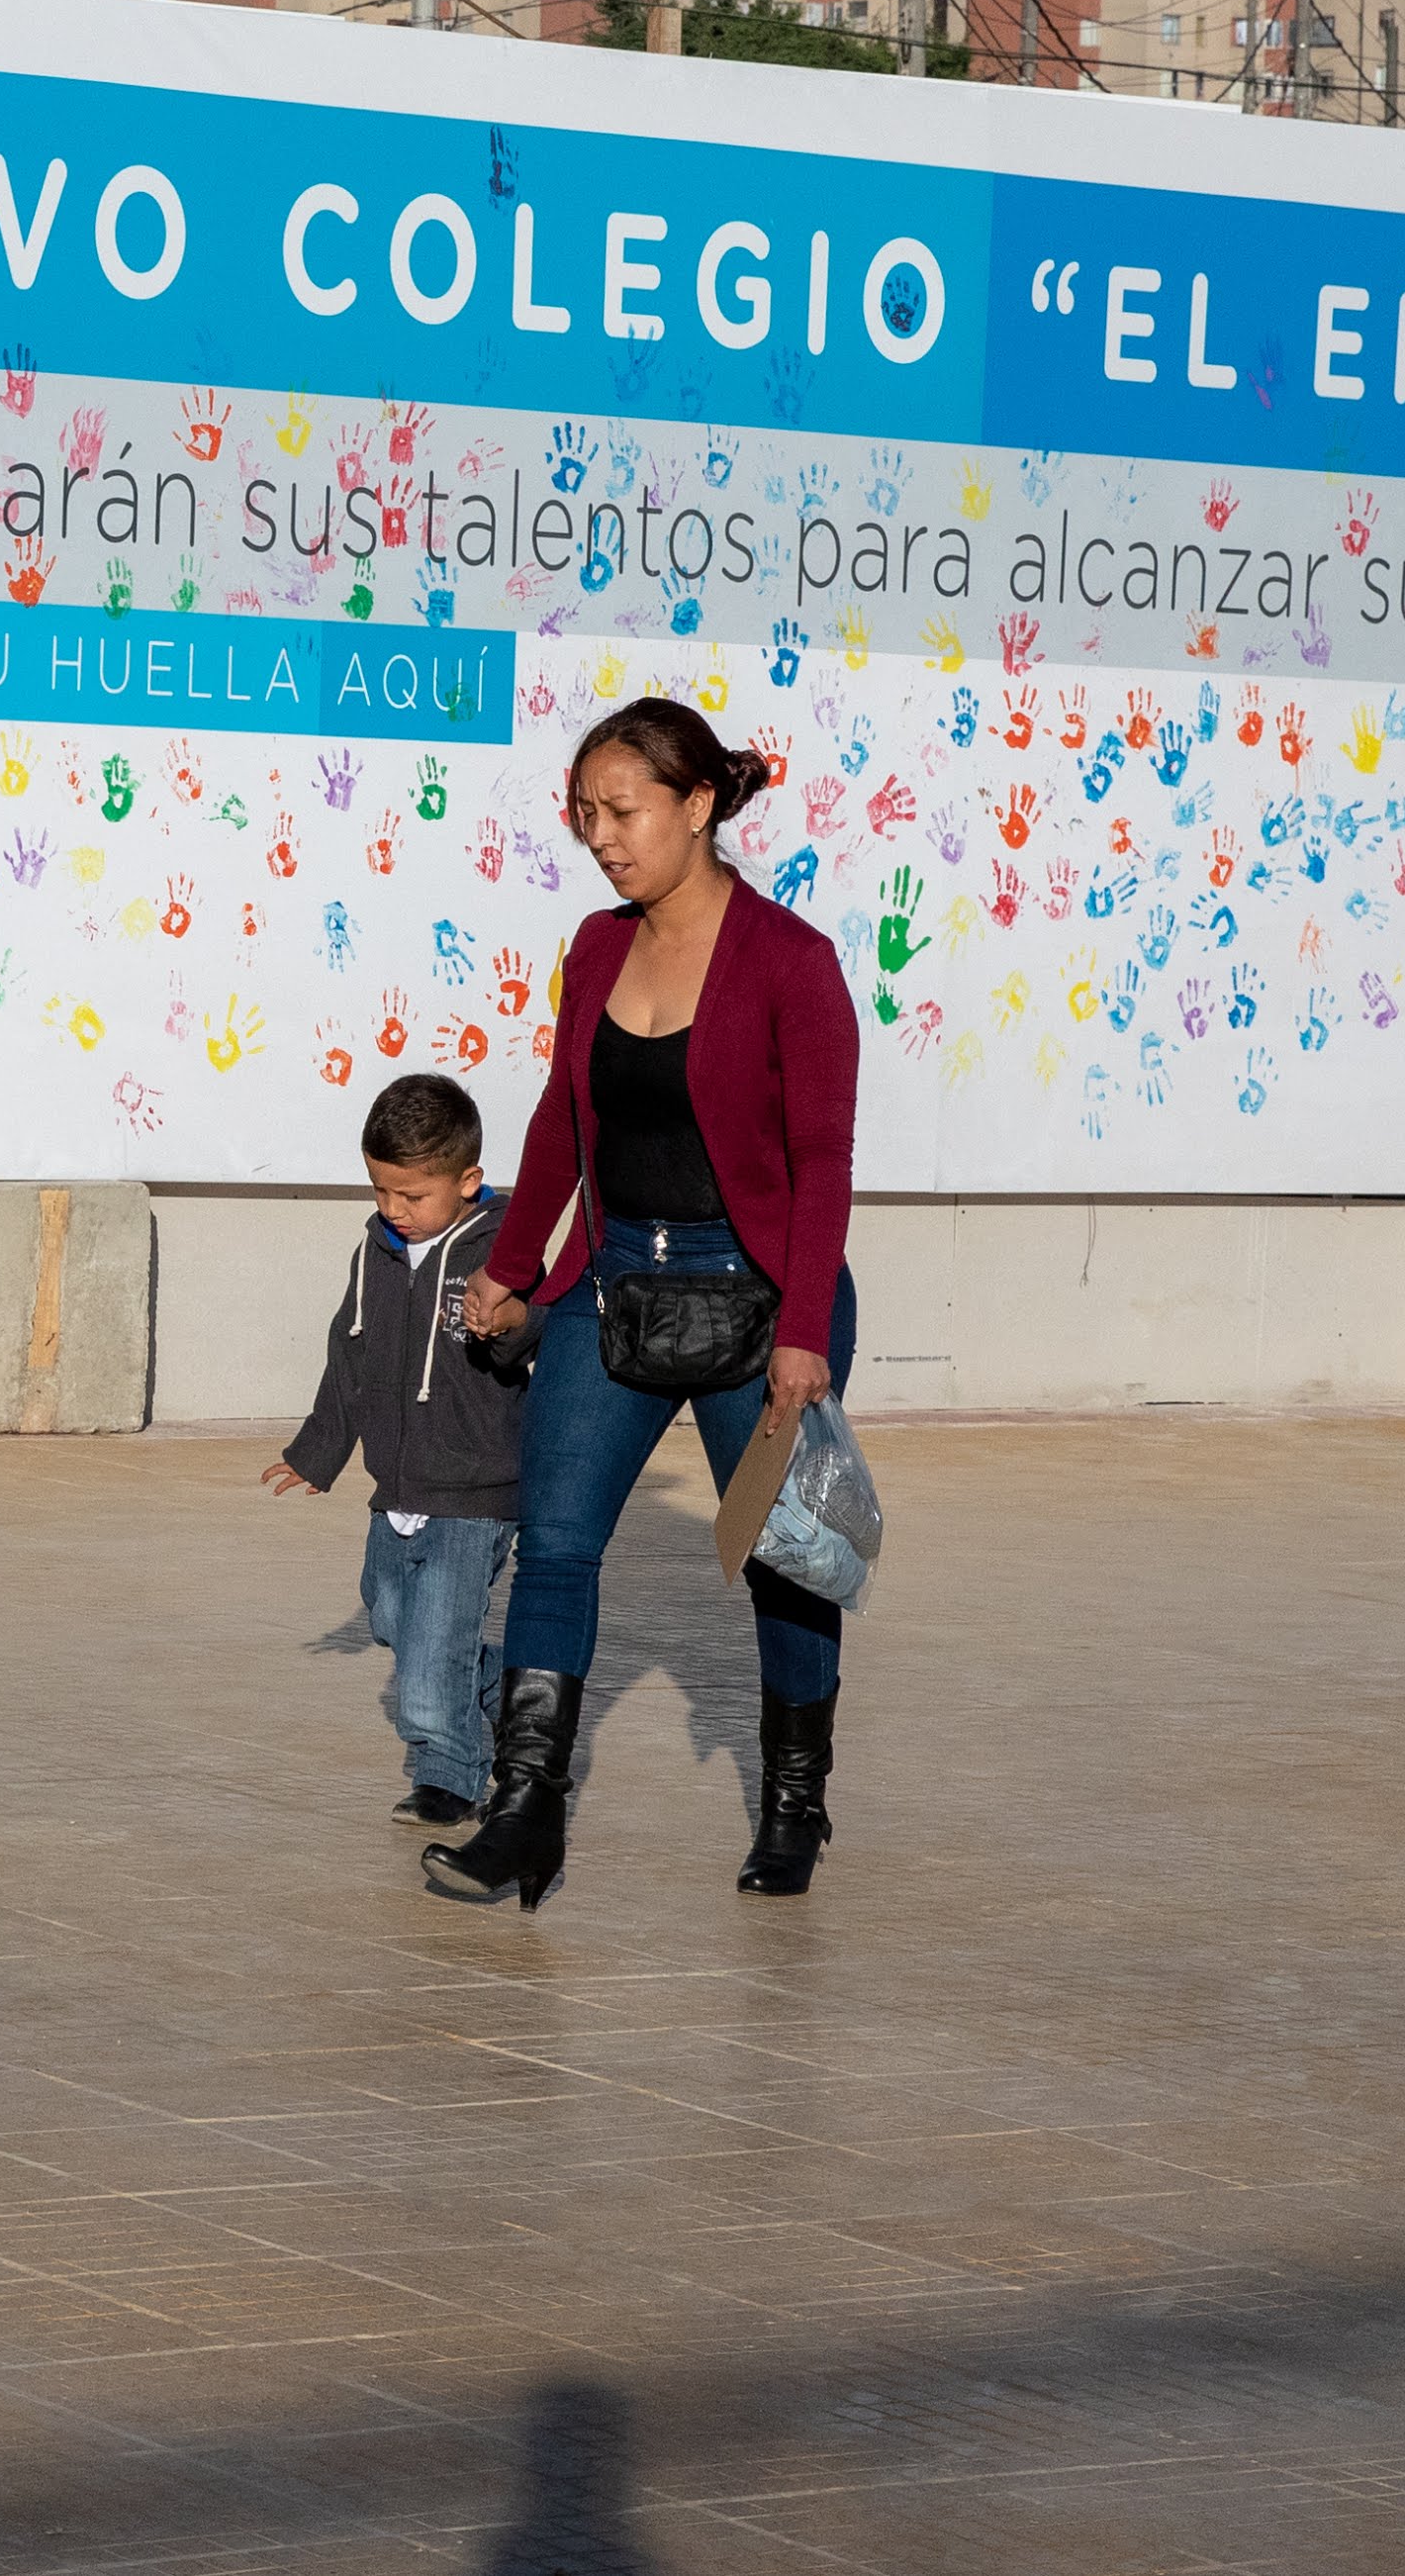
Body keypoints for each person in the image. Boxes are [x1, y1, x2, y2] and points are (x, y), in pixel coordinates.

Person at [432, 697, 862, 1912]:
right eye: (585, 816)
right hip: (610, 1278)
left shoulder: (791, 961)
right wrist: (515, 1265)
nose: (602, 837)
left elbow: (821, 1158)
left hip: (756, 1292)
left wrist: (800, 1335)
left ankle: (792, 1801)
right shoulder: (593, 943)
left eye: (621, 812)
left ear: (697, 804)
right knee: (555, 1548)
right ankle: (524, 1814)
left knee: (786, 1562)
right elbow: (559, 1122)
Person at [263, 1073, 539, 1831]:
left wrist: (512, 1320)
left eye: (412, 1196)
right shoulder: (377, 1253)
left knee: (427, 1660)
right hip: (399, 1488)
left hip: (476, 1489)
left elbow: (541, 1324)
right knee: (391, 1616)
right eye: (382, 1191)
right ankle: (514, 1699)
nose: (394, 1211)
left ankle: (448, 1777)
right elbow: (348, 1354)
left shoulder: (502, 1252)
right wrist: (318, 1451)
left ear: (467, 1180)